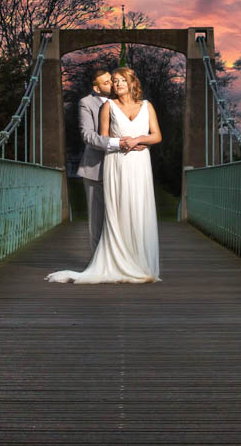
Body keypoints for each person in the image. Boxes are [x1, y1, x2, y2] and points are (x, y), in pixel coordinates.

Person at [47, 66, 161, 283]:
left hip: (138, 163)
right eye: (111, 81)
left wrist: (138, 140)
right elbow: (92, 137)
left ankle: (137, 260)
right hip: (108, 164)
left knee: (137, 210)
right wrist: (122, 143)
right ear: (97, 86)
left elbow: (155, 135)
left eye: (118, 80)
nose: (114, 84)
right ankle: (106, 263)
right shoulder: (94, 104)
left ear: (131, 82)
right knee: (104, 220)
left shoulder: (146, 106)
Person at [76, 69, 126, 253]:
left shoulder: (124, 101)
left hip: (123, 167)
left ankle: (119, 259)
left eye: (111, 80)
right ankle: (98, 262)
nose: (112, 84)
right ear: (96, 89)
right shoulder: (86, 103)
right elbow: (88, 136)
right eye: (106, 83)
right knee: (97, 220)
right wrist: (117, 143)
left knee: (121, 217)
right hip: (95, 169)